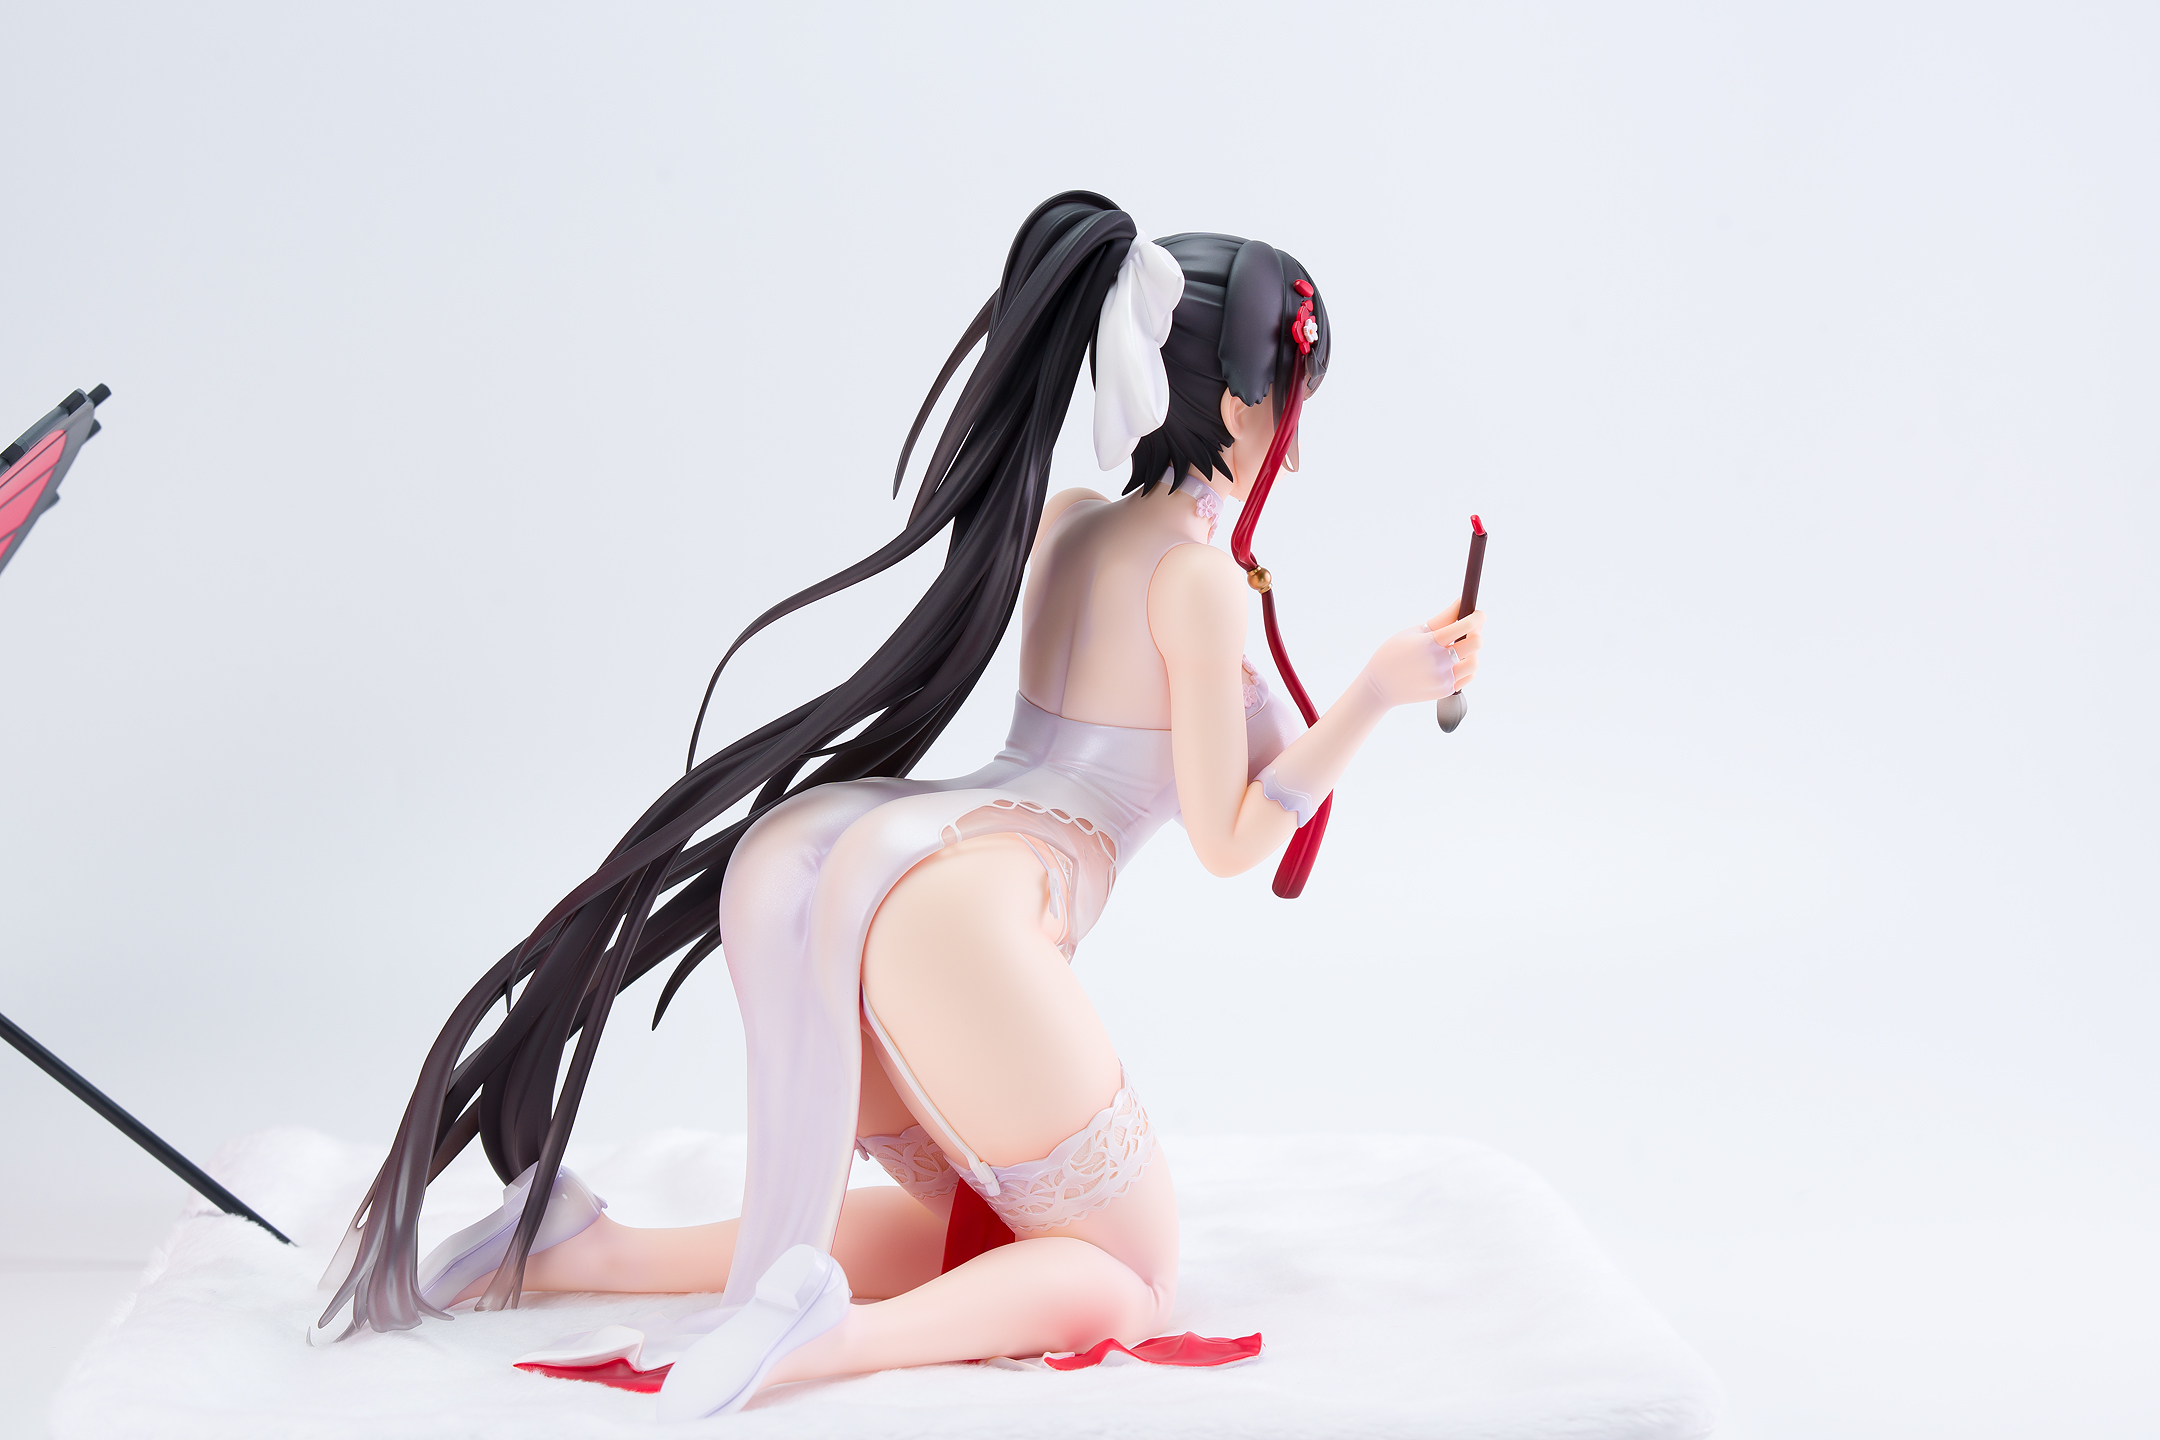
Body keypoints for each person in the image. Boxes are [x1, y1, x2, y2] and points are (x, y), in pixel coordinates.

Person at [314, 191, 1484, 1419]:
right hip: (976, 910)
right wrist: (1377, 695)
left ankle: (579, 1252)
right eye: (1296, 404)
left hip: (873, 863)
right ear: (1245, 402)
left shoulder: (1075, 523)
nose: (1295, 442)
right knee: (1131, 1275)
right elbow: (1232, 839)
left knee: (987, 1234)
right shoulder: (1197, 582)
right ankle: (819, 1342)